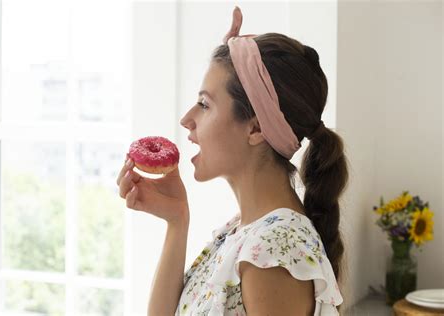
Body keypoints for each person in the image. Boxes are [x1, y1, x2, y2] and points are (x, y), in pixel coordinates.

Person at [117, 6, 349, 316]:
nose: (187, 119)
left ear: (255, 127)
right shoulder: (241, 232)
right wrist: (177, 220)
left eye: (204, 104)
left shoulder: (272, 252)